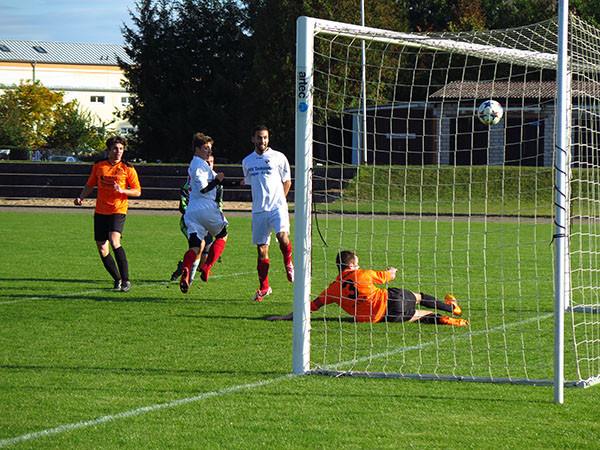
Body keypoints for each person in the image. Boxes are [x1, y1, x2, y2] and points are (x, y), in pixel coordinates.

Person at [267, 251, 469, 326]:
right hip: (391, 299)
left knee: (421, 315)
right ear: (351, 266)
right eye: (357, 263)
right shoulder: (364, 274)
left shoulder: (333, 289)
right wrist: (391, 270)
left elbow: (311, 306)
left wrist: (285, 317)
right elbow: (388, 276)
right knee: (419, 296)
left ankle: (443, 319)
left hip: (380, 317)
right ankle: (451, 308)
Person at [74, 136, 141, 292]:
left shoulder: (128, 168)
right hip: (100, 211)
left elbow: (137, 191)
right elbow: (91, 183)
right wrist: (81, 197)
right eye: (115, 149)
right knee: (102, 248)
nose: (118, 152)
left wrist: (122, 190)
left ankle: (126, 280)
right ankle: (117, 279)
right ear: (109, 150)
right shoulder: (99, 166)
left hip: (118, 209)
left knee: (114, 240)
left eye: (121, 149)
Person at [242, 125, 294, 302]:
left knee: (282, 237)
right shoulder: (247, 161)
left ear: (268, 139)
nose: (262, 141)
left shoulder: (278, 157)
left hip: (277, 207)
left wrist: (281, 201)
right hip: (258, 210)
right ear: (253, 139)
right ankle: (264, 288)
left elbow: (287, 181)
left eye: (264, 137)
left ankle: (288, 262)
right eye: (259, 137)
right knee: (262, 250)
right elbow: (251, 182)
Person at [179, 133, 230, 293]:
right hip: (206, 207)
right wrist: (217, 181)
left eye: (210, 148)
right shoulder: (199, 165)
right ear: (197, 149)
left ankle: (186, 271)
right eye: (205, 148)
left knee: (195, 246)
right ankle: (207, 266)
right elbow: (205, 188)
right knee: (222, 236)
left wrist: (242, 183)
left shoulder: (200, 164)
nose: (209, 151)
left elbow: (219, 181)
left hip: (192, 211)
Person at [170, 154, 217, 283]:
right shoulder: (190, 184)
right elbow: (182, 206)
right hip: (191, 222)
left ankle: (184, 267)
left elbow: (219, 204)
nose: (209, 165)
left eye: (211, 162)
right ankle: (188, 279)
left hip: (207, 220)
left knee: (206, 249)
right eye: (206, 162)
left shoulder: (216, 184)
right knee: (200, 245)